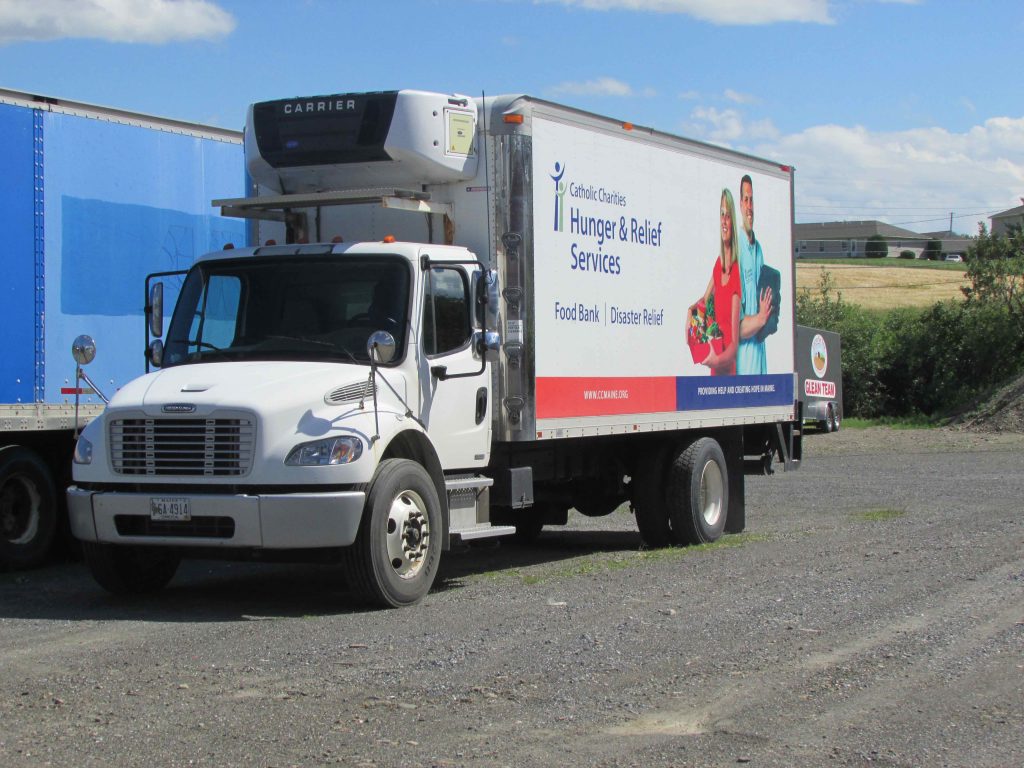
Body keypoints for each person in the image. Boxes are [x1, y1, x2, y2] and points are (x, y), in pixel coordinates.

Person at [693, 189, 742, 376]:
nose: (723, 221)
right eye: (721, 214)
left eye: (728, 216)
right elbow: (702, 303)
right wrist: (691, 318)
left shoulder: (735, 271)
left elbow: (734, 346)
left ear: (733, 222)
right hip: (715, 359)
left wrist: (717, 360)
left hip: (726, 366)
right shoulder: (719, 263)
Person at [736, 174, 774, 375]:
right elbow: (736, 329)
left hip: (761, 369)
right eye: (746, 200)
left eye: (752, 200)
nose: (749, 206)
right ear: (740, 204)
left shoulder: (758, 249)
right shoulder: (737, 250)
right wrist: (760, 318)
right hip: (744, 373)